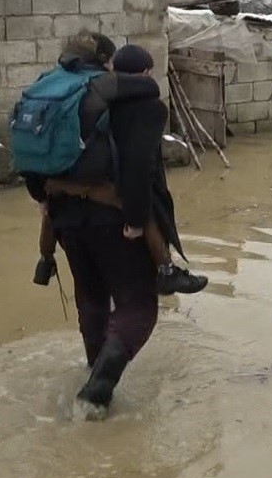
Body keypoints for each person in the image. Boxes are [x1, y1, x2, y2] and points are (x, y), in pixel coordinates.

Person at [19, 31, 173, 416]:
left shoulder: (44, 91)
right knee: (138, 305)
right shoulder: (118, 99)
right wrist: (137, 222)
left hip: (64, 219)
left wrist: (43, 199)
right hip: (112, 216)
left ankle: (93, 372)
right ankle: (96, 392)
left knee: (90, 295)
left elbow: (28, 150)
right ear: (105, 62)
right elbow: (138, 169)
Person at [32, 45, 208, 297]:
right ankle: (166, 270)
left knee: (50, 210)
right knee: (143, 209)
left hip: (59, 179)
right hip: (96, 184)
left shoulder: (68, 93)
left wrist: (38, 192)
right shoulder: (128, 102)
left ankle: (44, 261)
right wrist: (135, 220)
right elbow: (137, 165)